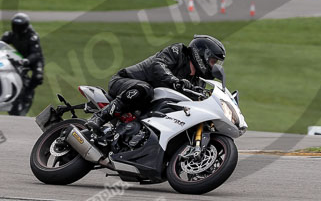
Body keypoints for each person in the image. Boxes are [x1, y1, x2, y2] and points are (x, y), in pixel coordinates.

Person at [86, 34, 226, 136]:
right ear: (202, 54)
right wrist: (175, 81)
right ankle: (100, 117)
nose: (213, 66)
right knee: (145, 89)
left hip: (147, 104)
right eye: (213, 61)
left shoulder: (198, 81)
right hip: (124, 82)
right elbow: (158, 65)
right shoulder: (178, 52)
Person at [0, 12, 44, 116]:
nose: (16, 29)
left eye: (19, 27)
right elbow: (0, 44)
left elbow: (36, 53)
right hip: (19, 58)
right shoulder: (10, 35)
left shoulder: (32, 37)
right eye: (15, 26)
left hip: (34, 60)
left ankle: (28, 93)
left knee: (38, 77)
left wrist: (27, 61)